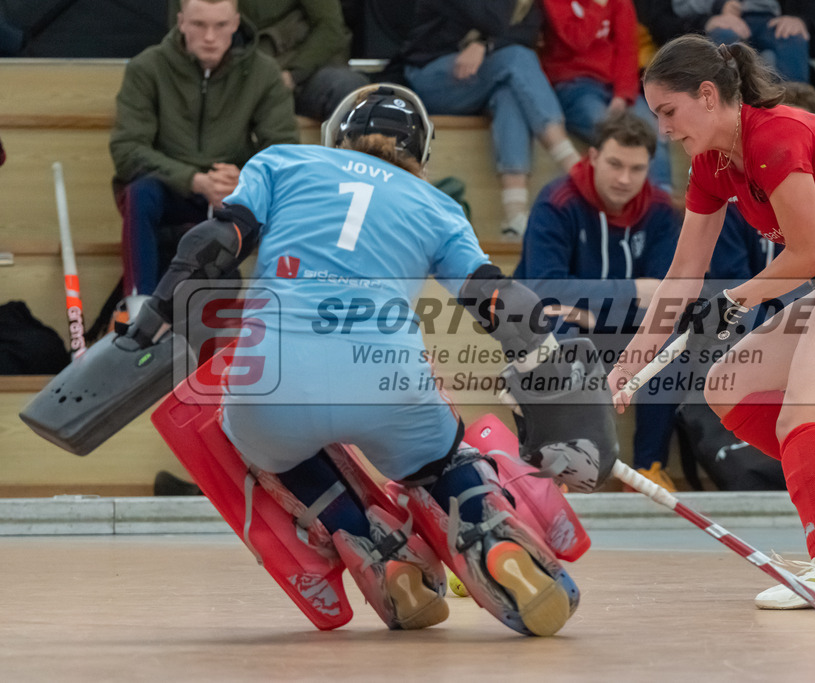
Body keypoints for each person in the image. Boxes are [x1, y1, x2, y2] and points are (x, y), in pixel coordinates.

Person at [121, 83, 616, 635]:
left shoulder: (282, 162)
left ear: (338, 135)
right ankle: (491, 535)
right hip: (387, 384)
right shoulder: (439, 206)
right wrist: (550, 373)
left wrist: (147, 322)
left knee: (259, 443)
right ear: (420, 153)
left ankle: (370, 545)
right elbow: (502, 303)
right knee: (441, 460)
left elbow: (212, 245)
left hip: (274, 384)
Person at [608, 35, 815, 609]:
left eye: (668, 111)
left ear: (707, 95)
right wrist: (631, 361)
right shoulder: (711, 164)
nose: (663, 129)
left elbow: (807, 254)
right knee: (728, 386)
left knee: (804, 415)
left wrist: (733, 299)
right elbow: (683, 273)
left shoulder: (774, 135)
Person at [514, 110, 681, 488]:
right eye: (615, 164)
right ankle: (559, 468)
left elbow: (662, 297)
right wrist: (631, 291)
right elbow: (544, 289)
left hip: (612, 328)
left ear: (650, 168)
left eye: (636, 169)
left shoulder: (660, 211)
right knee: (556, 329)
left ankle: (648, 468)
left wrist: (595, 313)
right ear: (592, 157)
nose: (624, 179)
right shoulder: (557, 202)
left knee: (667, 338)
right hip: (557, 325)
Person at [110, 0, 299, 297]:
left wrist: (244, 180)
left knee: (290, 199)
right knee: (140, 193)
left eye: (220, 25)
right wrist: (194, 180)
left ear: (235, 23)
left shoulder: (264, 72)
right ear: (181, 22)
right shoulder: (147, 67)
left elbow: (283, 152)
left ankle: (281, 307)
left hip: (231, 195)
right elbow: (127, 149)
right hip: (170, 188)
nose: (210, 37)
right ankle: (138, 303)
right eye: (199, 25)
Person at [402, 0, 582, 241]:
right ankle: (573, 165)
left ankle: (514, 216)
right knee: (517, 57)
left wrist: (486, 45)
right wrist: (491, 43)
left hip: (485, 76)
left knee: (509, 94)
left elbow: (526, 34)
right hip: (431, 76)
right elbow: (493, 19)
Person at [539, 0, 672, 190]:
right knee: (611, 130)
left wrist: (622, 96)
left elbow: (627, 49)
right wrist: (597, 6)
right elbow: (577, 41)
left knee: (652, 130)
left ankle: (662, 197)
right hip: (574, 85)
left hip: (614, 85)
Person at [168, 0, 371, 121]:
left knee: (348, 88)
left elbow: (331, 29)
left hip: (298, 70)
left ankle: (356, 175)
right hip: (232, 75)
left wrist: (292, 75)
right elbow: (182, 35)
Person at [669, 0, 815, 84]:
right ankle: (729, 110)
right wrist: (711, 15)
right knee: (725, 40)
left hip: (768, 18)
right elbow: (672, 14)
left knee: (791, 36)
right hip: (717, 20)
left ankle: (796, 112)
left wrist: (803, 21)